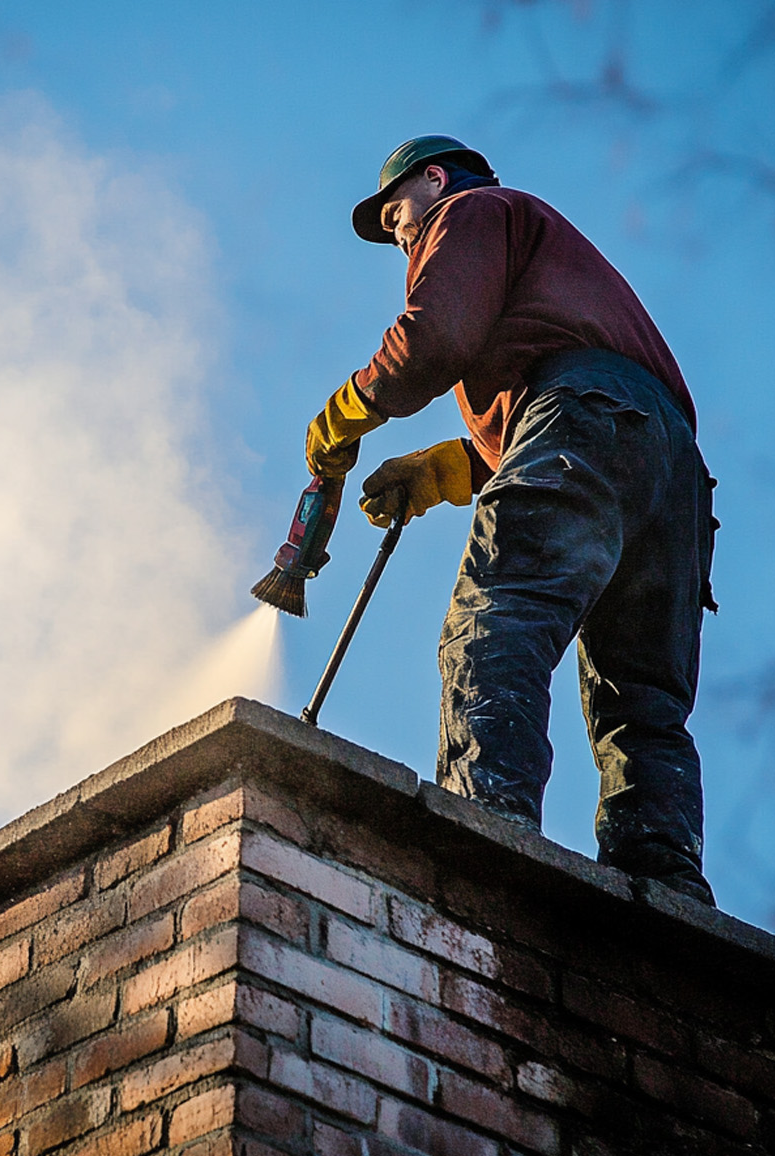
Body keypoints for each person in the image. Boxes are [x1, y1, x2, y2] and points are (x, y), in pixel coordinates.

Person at [306, 134, 718, 906]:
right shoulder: (549, 265)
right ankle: (663, 880)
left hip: (584, 418)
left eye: (394, 212)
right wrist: (448, 469)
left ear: (431, 181)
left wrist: (349, 408)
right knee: (642, 700)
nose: (397, 232)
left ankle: (481, 826)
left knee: (497, 617)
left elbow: (438, 337)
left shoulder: (470, 210)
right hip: (671, 473)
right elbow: (585, 418)